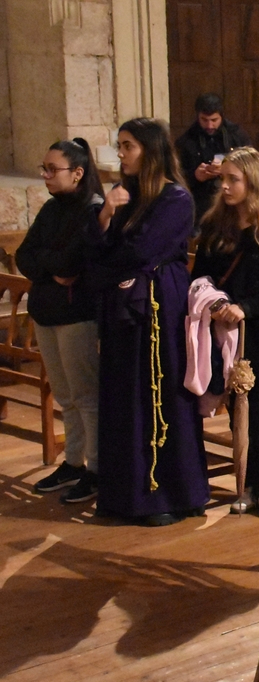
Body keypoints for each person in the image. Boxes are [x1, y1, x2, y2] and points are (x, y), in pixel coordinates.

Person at [92, 118, 209, 526]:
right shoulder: (128, 196)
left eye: (128, 146)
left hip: (160, 303)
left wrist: (110, 257)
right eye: (120, 146)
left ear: (150, 150)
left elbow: (141, 252)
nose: (121, 153)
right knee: (126, 395)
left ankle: (168, 495)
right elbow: (103, 249)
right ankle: (125, 495)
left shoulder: (175, 199)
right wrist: (106, 215)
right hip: (127, 304)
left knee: (157, 392)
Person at [191, 147, 259, 518]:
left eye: (233, 180)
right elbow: (201, 275)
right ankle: (244, 485)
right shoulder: (215, 225)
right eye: (222, 179)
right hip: (226, 332)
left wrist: (247, 307)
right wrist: (213, 303)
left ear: (253, 182)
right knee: (236, 413)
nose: (224, 186)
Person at [16, 139, 104, 503]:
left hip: (75, 315)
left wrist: (48, 264)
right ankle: (73, 463)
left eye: (53, 169)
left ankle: (97, 469)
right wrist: (51, 268)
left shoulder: (93, 210)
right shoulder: (52, 208)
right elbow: (24, 256)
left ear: (78, 173)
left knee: (85, 395)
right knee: (65, 396)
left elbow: (72, 264)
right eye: (44, 168)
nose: (45, 175)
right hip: (46, 312)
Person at [174, 93, 253, 222]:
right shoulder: (186, 141)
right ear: (197, 116)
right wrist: (195, 176)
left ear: (221, 115)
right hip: (202, 205)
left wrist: (227, 171)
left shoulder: (237, 136)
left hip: (236, 203)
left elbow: (252, 167)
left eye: (214, 120)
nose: (209, 126)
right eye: (204, 120)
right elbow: (176, 177)